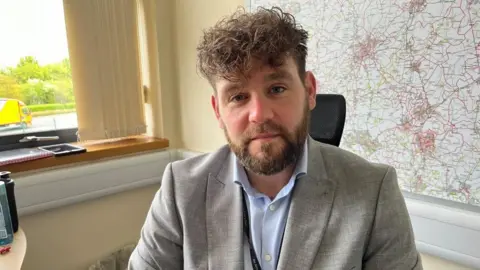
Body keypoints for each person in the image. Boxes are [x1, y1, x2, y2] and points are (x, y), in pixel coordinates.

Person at [128, 6, 422, 270]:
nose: (259, 114)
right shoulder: (181, 189)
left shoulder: (373, 192)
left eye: (277, 89)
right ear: (218, 111)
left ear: (309, 91)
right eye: (239, 96)